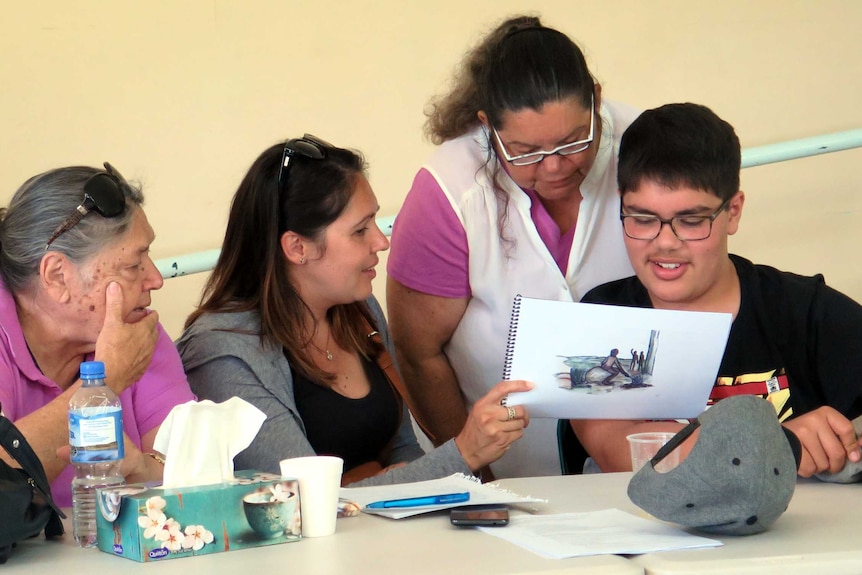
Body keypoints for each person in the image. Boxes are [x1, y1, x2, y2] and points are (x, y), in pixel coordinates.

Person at [176, 135, 531, 486]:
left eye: (374, 222)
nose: (381, 241)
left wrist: (410, 474)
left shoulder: (359, 312)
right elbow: (304, 497)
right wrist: (464, 453)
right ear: (297, 247)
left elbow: (403, 448)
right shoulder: (223, 352)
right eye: (360, 230)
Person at [386, 15, 639, 478]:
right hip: (505, 473)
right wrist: (475, 475)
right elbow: (418, 353)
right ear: (488, 128)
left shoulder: (643, 145)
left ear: (596, 100)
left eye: (573, 141)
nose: (554, 168)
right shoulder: (449, 190)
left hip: (638, 458)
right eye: (524, 151)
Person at [573, 103, 862, 477]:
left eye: (691, 221)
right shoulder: (601, 315)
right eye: (642, 219)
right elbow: (628, 453)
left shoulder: (804, 310)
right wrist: (780, 444)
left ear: (734, 212)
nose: (665, 243)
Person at [0, 163, 196, 506]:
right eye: (134, 266)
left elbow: (199, 473)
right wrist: (108, 380)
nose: (155, 279)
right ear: (58, 276)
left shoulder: (134, 332)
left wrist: (144, 470)